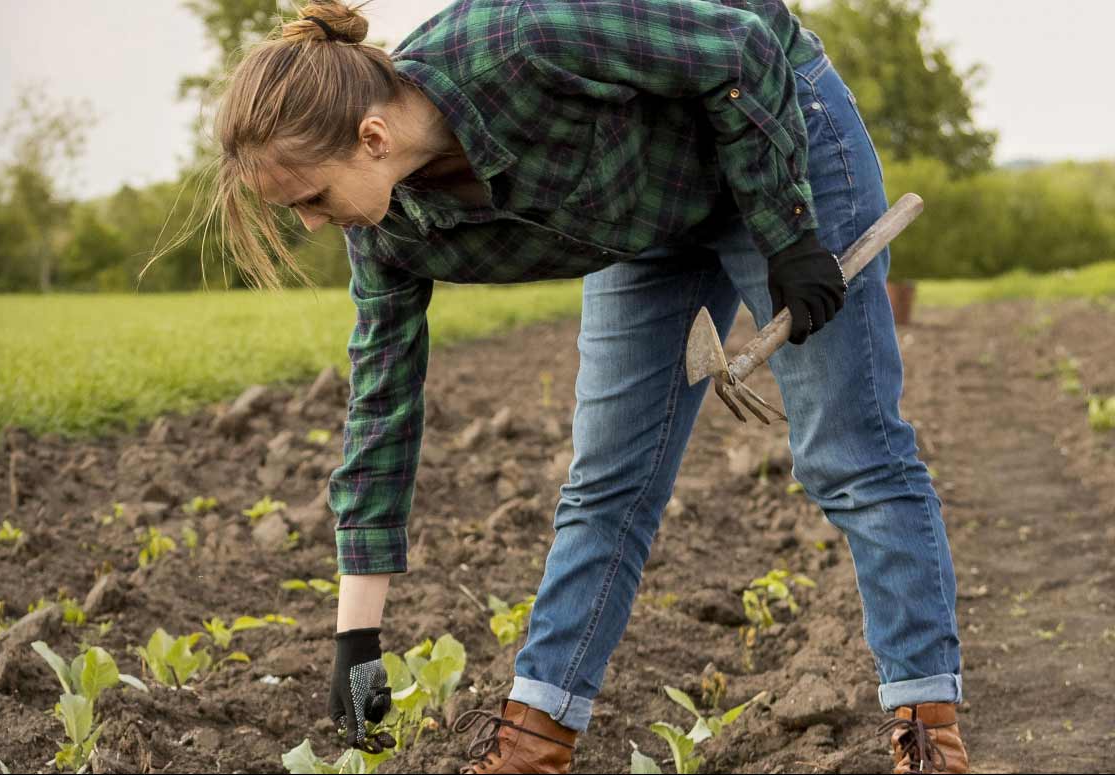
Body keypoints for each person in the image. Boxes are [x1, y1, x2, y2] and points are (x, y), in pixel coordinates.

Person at [205, 1, 969, 772]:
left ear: (371, 138)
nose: (308, 224)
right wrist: (356, 636)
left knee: (851, 451)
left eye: (309, 199)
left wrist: (789, 232)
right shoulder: (388, 230)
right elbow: (381, 403)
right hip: (641, 211)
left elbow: (739, 48)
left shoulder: (519, 43)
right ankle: (534, 741)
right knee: (606, 480)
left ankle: (928, 729)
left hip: (769, 122)